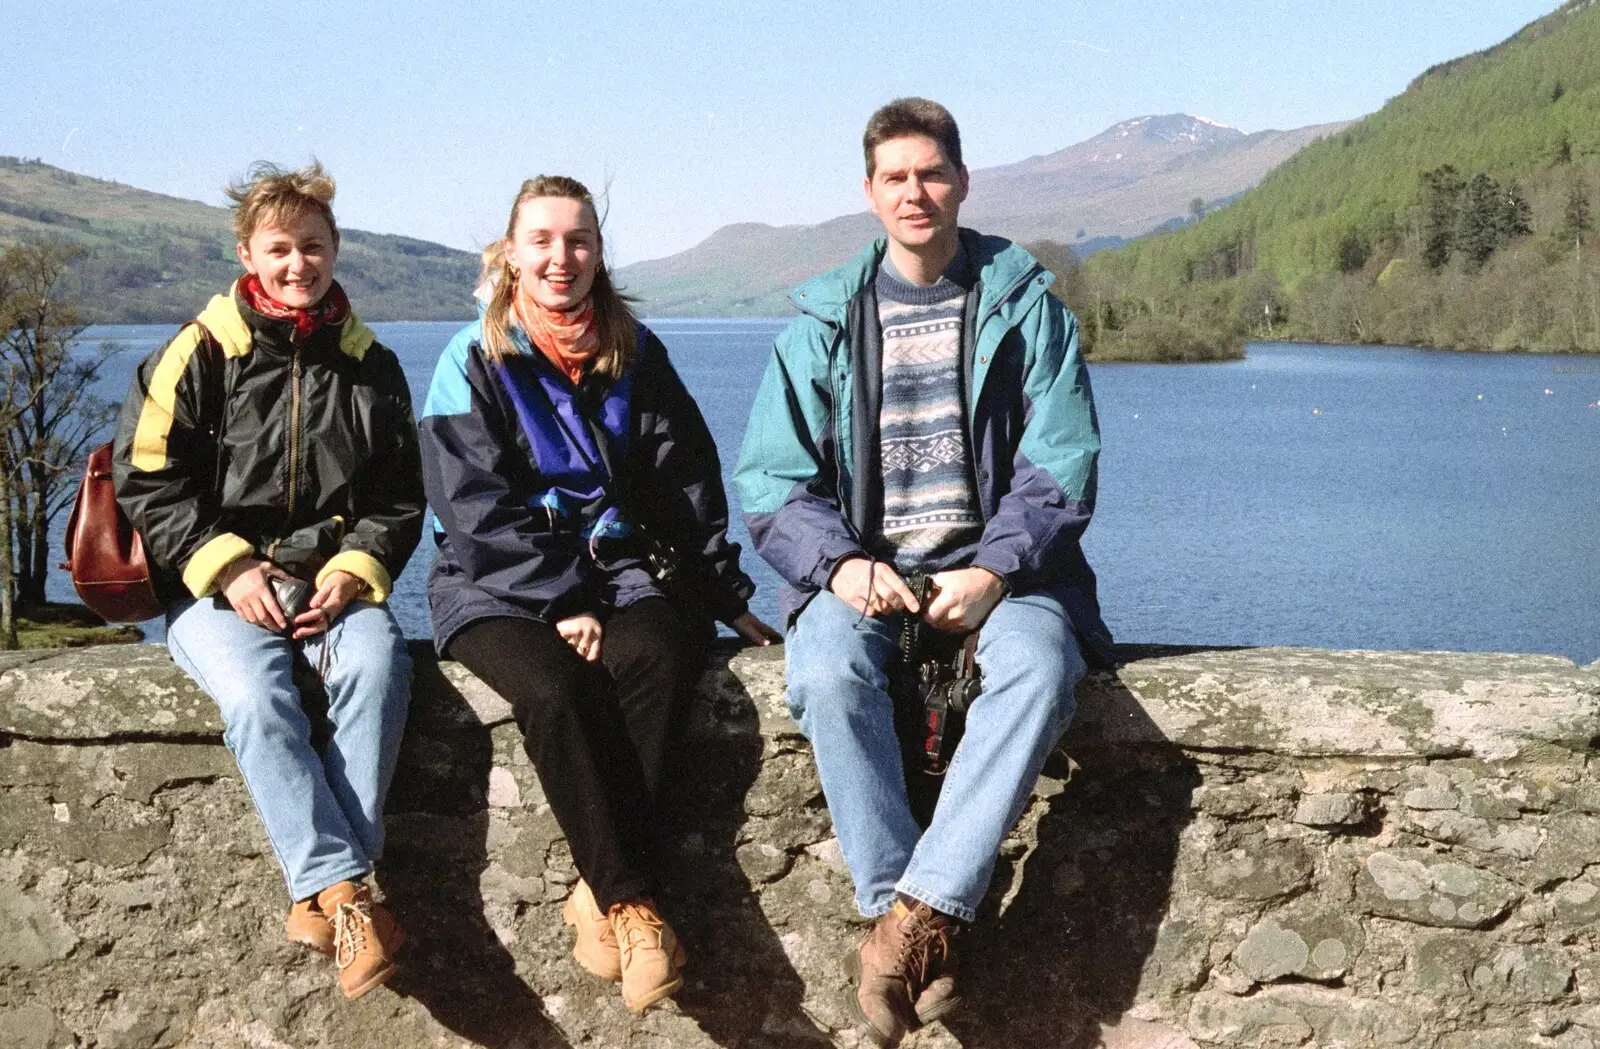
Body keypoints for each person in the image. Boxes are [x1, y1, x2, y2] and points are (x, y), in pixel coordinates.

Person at [733, 98, 1115, 1047]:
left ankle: (904, 925)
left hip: (1010, 581)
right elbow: (773, 485)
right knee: (822, 669)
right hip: (870, 577)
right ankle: (920, 923)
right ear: (870, 192)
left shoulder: (1028, 309)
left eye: (932, 172)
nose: (916, 191)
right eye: (896, 176)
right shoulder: (821, 325)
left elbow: (1061, 466)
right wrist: (841, 565)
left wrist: (993, 571)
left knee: (1038, 666)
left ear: (962, 181)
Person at [418, 175, 779, 1013]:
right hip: (489, 584)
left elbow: (683, 480)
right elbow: (470, 511)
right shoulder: (470, 358)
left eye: (577, 240)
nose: (560, 256)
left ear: (598, 252)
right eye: (541, 239)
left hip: (614, 570)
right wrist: (561, 597)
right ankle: (633, 904)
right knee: (555, 688)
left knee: (661, 647)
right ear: (510, 252)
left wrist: (723, 594)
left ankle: (598, 891)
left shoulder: (634, 352)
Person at [113, 162, 423, 1000]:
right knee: (255, 696)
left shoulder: (371, 363)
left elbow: (398, 497)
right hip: (211, 587)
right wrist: (228, 563)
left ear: (334, 249)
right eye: (280, 248)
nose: (298, 264)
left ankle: (329, 896)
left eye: (313, 247)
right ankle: (350, 892)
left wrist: (357, 569)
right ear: (248, 250)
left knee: (376, 666)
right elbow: (145, 479)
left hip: (328, 582)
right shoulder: (201, 351)